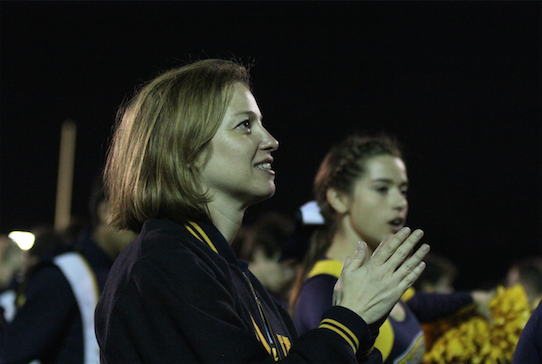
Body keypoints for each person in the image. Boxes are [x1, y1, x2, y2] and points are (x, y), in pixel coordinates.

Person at [94, 58, 430, 363]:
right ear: (186, 151)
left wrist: (361, 330)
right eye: (245, 125)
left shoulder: (237, 279)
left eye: (261, 123)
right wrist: (347, 321)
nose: (271, 140)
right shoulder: (162, 266)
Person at [288, 135, 490, 364]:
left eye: (402, 190)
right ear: (339, 198)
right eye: (382, 189)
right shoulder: (322, 290)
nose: (399, 202)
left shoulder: (377, 281)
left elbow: (419, 304)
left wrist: (475, 298)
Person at [0, 177, 136, 364]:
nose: (141, 225)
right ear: (105, 211)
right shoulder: (64, 274)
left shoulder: (129, 273)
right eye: (135, 212)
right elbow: (13, 355)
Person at [235, 211, 296, 309]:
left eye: (293, 267)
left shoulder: (276, 299)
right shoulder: (235, 295)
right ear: (259, 253)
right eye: (285, 266)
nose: (290, 274)